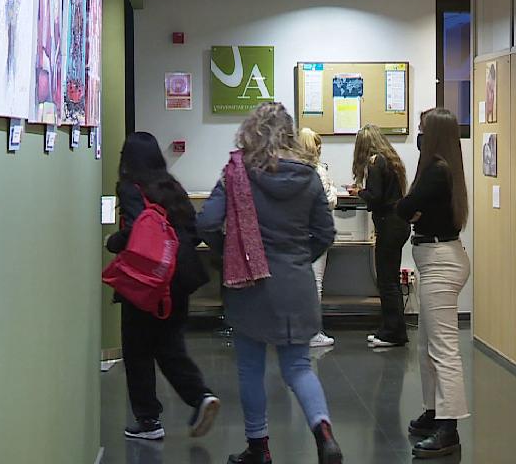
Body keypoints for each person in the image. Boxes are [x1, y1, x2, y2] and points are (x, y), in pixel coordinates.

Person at [197, 103, 342, 464]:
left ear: (251, 132)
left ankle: (258, 448)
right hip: (297, 286)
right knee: (298, 367)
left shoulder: (237, 172)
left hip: (249, 286)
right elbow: (325, 232)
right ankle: (324, 433)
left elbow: (207, 222)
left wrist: (230, 252)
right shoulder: (309, 176)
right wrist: (297, 261)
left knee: (250, 368)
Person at [105, 132, 221, 441]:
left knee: (137, 350)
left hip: (147, 283)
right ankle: (200, 396)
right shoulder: (173, 186)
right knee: (169, 345)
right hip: (180, 279)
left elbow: (133, 233)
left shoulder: (132, 188)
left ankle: (148, 421)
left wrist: (112, 242)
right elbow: (195, 231)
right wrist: (172, 250)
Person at [396, 108, 471, 459]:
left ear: (434, 134)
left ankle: (450, 427)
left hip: (441, 262)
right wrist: (413, 210)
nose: (418, 135)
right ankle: (434, 410)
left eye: (422, 129)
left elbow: (404, 207)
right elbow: (410, 208)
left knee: (443, 350)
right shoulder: (441, 169)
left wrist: (412, 210)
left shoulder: (437, 171)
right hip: (437, 259)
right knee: (427, 344)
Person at [349, 124, 411, 349]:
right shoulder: (390, 160)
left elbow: (375, 198)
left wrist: (358, 192)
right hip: (399, 223)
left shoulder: (375, 163)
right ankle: (394, 330)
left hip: (388, 225)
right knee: (391, 280)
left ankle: (391, 333)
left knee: (386, 281)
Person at [298, 127, 339, 348]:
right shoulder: (317, 171)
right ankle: (313, 332)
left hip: (298, 233)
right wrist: (332, 189)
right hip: (315, 233)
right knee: (316, 283)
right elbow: (328, 200)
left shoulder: (293, 170)